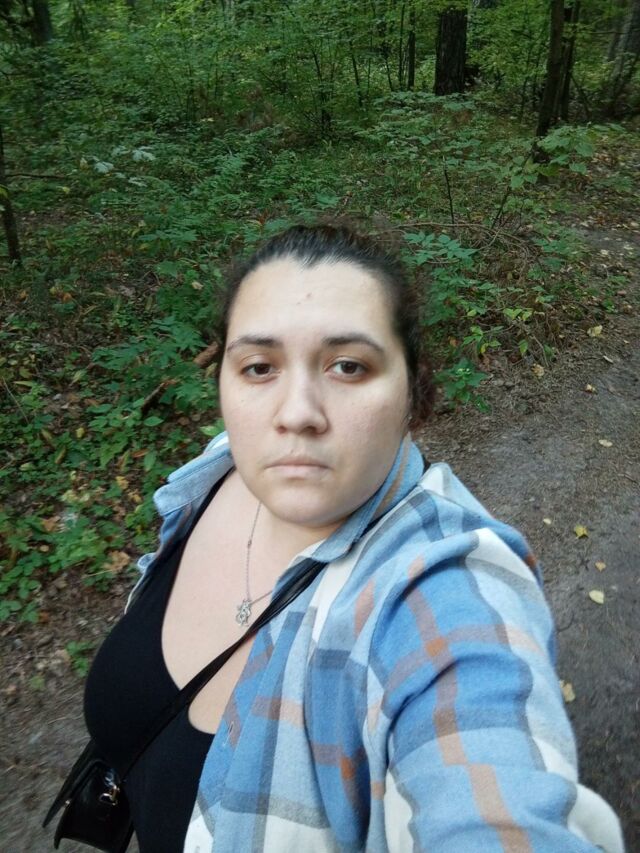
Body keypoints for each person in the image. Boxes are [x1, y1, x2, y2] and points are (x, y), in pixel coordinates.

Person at [82, 225, 624, 852]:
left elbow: (488, 791)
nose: (296, 413)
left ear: (413, 391)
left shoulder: (441, 592)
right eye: (259, 367)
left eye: (348, 366)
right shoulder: (219, 472)